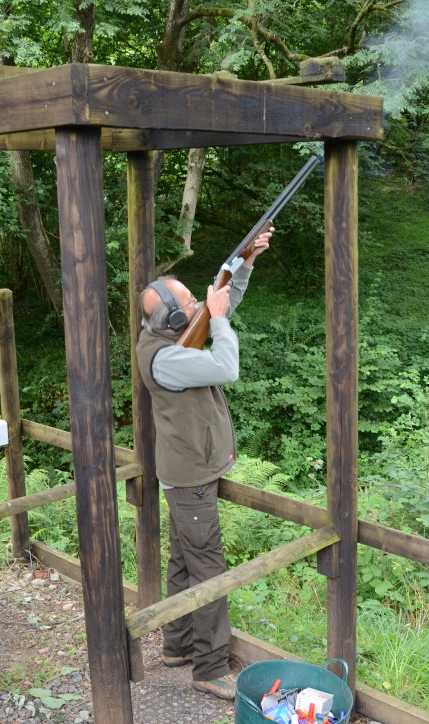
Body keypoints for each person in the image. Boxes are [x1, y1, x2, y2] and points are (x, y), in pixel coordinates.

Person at [135, 228, 273, 701]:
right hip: (191, 478)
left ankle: (176, 647)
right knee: (210, 569)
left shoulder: (166, 335)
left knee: (182, 563)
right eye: (190, 301)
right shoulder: (166, 358)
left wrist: (245, 263)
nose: (198, 303)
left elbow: (218, 308)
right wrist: (217, 319)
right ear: (174, 316)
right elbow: (226, 365)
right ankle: (209, 668)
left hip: (185, 474)